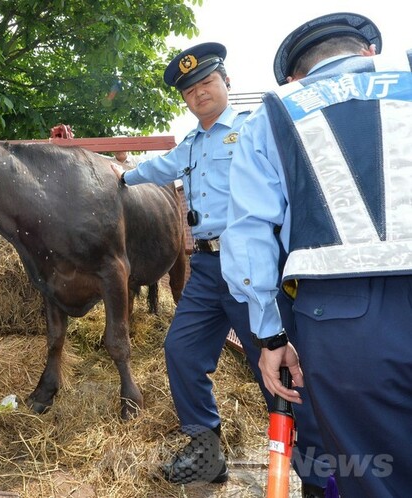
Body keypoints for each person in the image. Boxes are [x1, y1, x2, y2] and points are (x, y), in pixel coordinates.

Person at [118, 42, 329, 495]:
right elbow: (154, 169)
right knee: (181, 351)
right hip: (206, 268)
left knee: (276, 369)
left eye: (208, 82)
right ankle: (206, 452)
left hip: (254, 269)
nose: (200, 94)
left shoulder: (257, 130)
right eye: (190, 91)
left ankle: (318, 472)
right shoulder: (190, 145)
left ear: (227, 83)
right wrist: (115, 175)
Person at [221, 12, 409, 497]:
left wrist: (271, 335)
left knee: (375, 476)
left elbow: (249, 238)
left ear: (294, 78)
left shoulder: (273, 114)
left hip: (347, 324)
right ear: (369, 53)